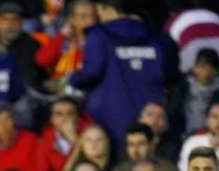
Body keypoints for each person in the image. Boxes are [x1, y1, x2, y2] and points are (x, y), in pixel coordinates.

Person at [68, 0, 166, 147]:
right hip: (151, 116)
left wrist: (72, 78)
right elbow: (168, 73)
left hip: (111, 116)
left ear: (103, 8)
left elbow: (91, 72)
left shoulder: (99, 35)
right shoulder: (155, 35)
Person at [35, 0, 97, 89]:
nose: (90, 21)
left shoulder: (101, 41)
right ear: (72, 19)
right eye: (83, 17)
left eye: (93, 16)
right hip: (62, 91)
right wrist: (61, 35)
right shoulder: (63, 40)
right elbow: (42, 60)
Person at [35, 97, 89, 171]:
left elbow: (96, 162)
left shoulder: (89, 131)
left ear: (77, 117)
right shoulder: (46, 140)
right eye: (59, 114)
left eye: (70, 113)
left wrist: (75, 140)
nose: (65, 118)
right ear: (52, 119)